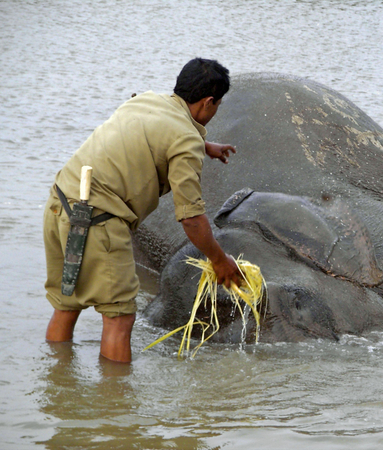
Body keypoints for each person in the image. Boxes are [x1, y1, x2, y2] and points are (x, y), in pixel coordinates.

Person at [43, 58, 242, 363]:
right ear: (208, 102)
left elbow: (160, 130)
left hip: (61, 202)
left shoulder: (147, 100)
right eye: (217, 106)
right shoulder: (185, 139)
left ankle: (56, 382)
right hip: (97, 220)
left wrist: (205, 144)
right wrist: (219, 260)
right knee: (119, 318)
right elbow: (190, 218)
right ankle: (116, 404)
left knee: (67, 304)